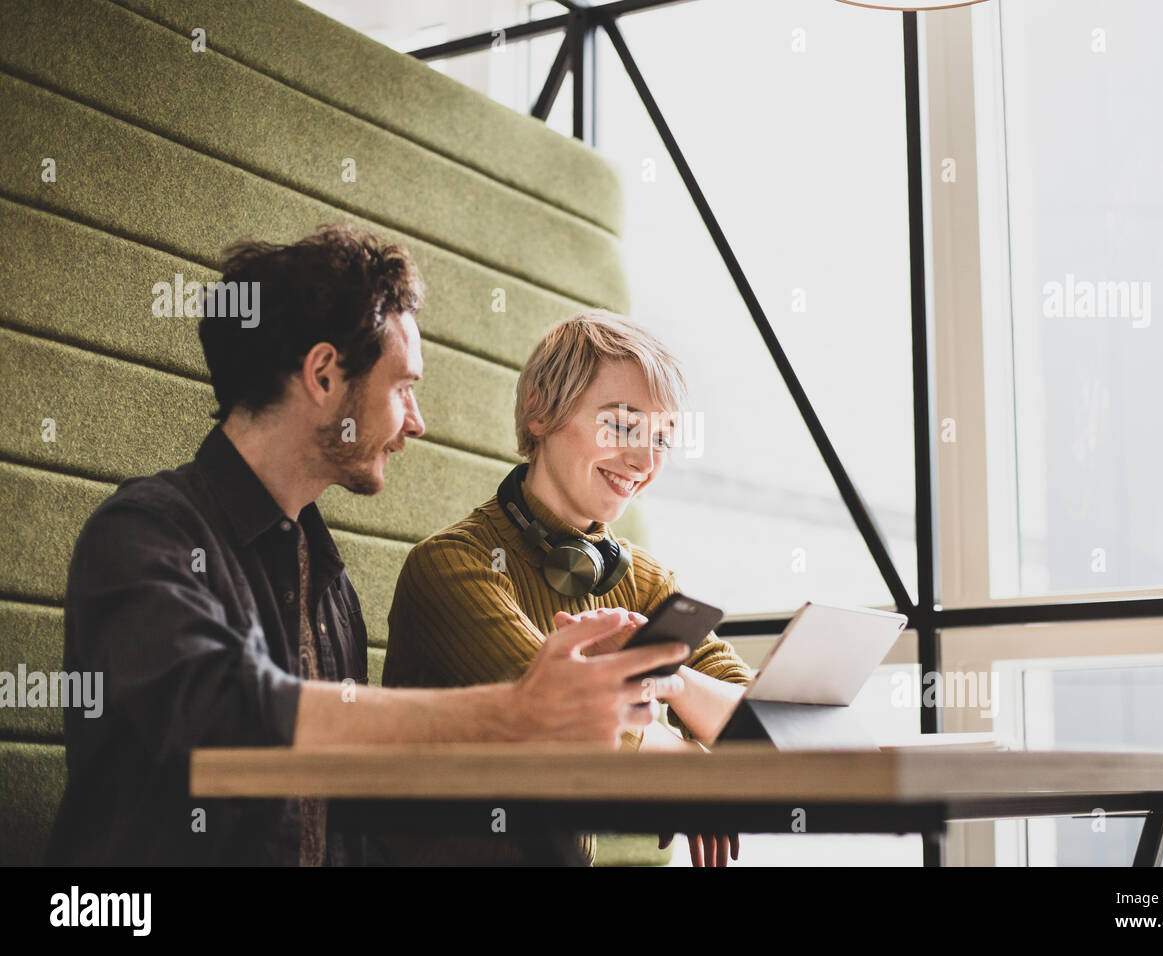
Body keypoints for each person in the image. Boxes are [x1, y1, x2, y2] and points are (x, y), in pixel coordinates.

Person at [45, 227, 687, 867]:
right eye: (403, 387)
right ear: (324, 375)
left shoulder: (327, 582)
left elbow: (349, 821)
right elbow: (219, 713)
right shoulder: (142, 532)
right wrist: (518, 711)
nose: (416, 421)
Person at [383, 310, 752, 867]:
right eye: (623, 427)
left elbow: (756, 727)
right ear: (540, 410)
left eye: (661, 440)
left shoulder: (643, 579)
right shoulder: (451, 566)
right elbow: (571, 720)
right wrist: (695, 769)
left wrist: (671, 682)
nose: (646, 463)